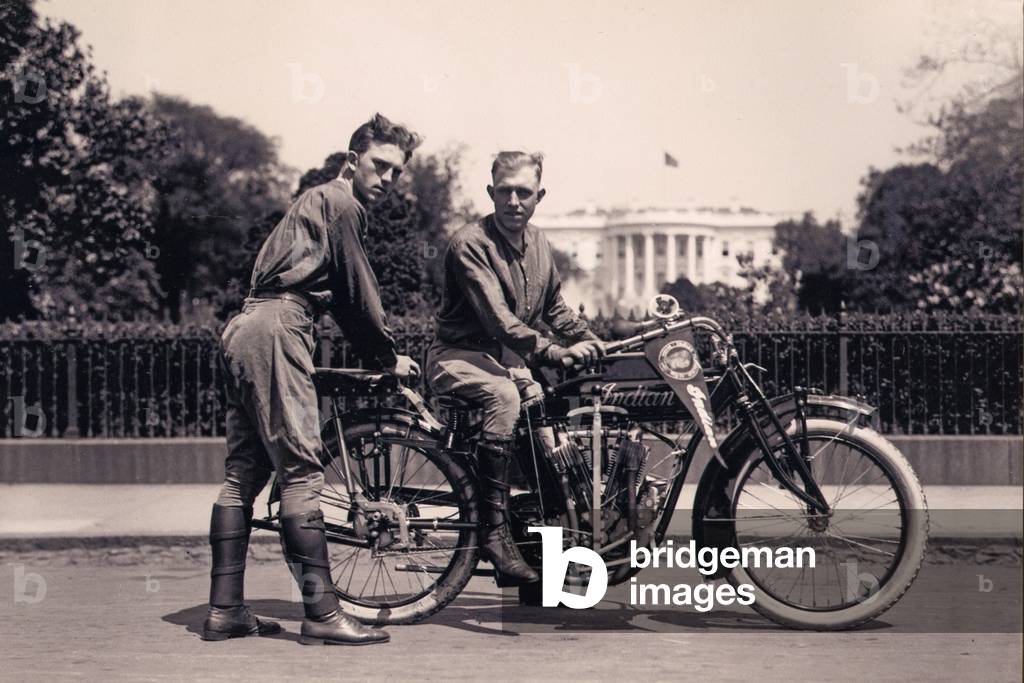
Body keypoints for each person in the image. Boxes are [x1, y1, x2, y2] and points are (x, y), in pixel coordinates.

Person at [203, 113, 421, 646]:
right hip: (279, 326)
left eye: (396, 172)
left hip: (246, 327)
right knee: (302, 473)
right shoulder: (341, 202)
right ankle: (323, 613)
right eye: (379, 165)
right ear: (352, 161)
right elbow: (356, 292)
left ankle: (225, 611)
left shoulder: (313, 202)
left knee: (242, 475)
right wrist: (386, 357)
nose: (387, 179)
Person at [425, 151, 604, 583]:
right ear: (490, 193)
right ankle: (493, 530)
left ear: (539, 195)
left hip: (503, 359)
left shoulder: (540, 243)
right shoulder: (470, 244)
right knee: (504, 395)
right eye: (504, 191)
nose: (513, 200)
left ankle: (548, 536)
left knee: (545, 413)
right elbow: (498, 319)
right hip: (457, 357)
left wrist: (587, 338)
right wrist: (551, 351)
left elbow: (556, 306)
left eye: (523, 192)